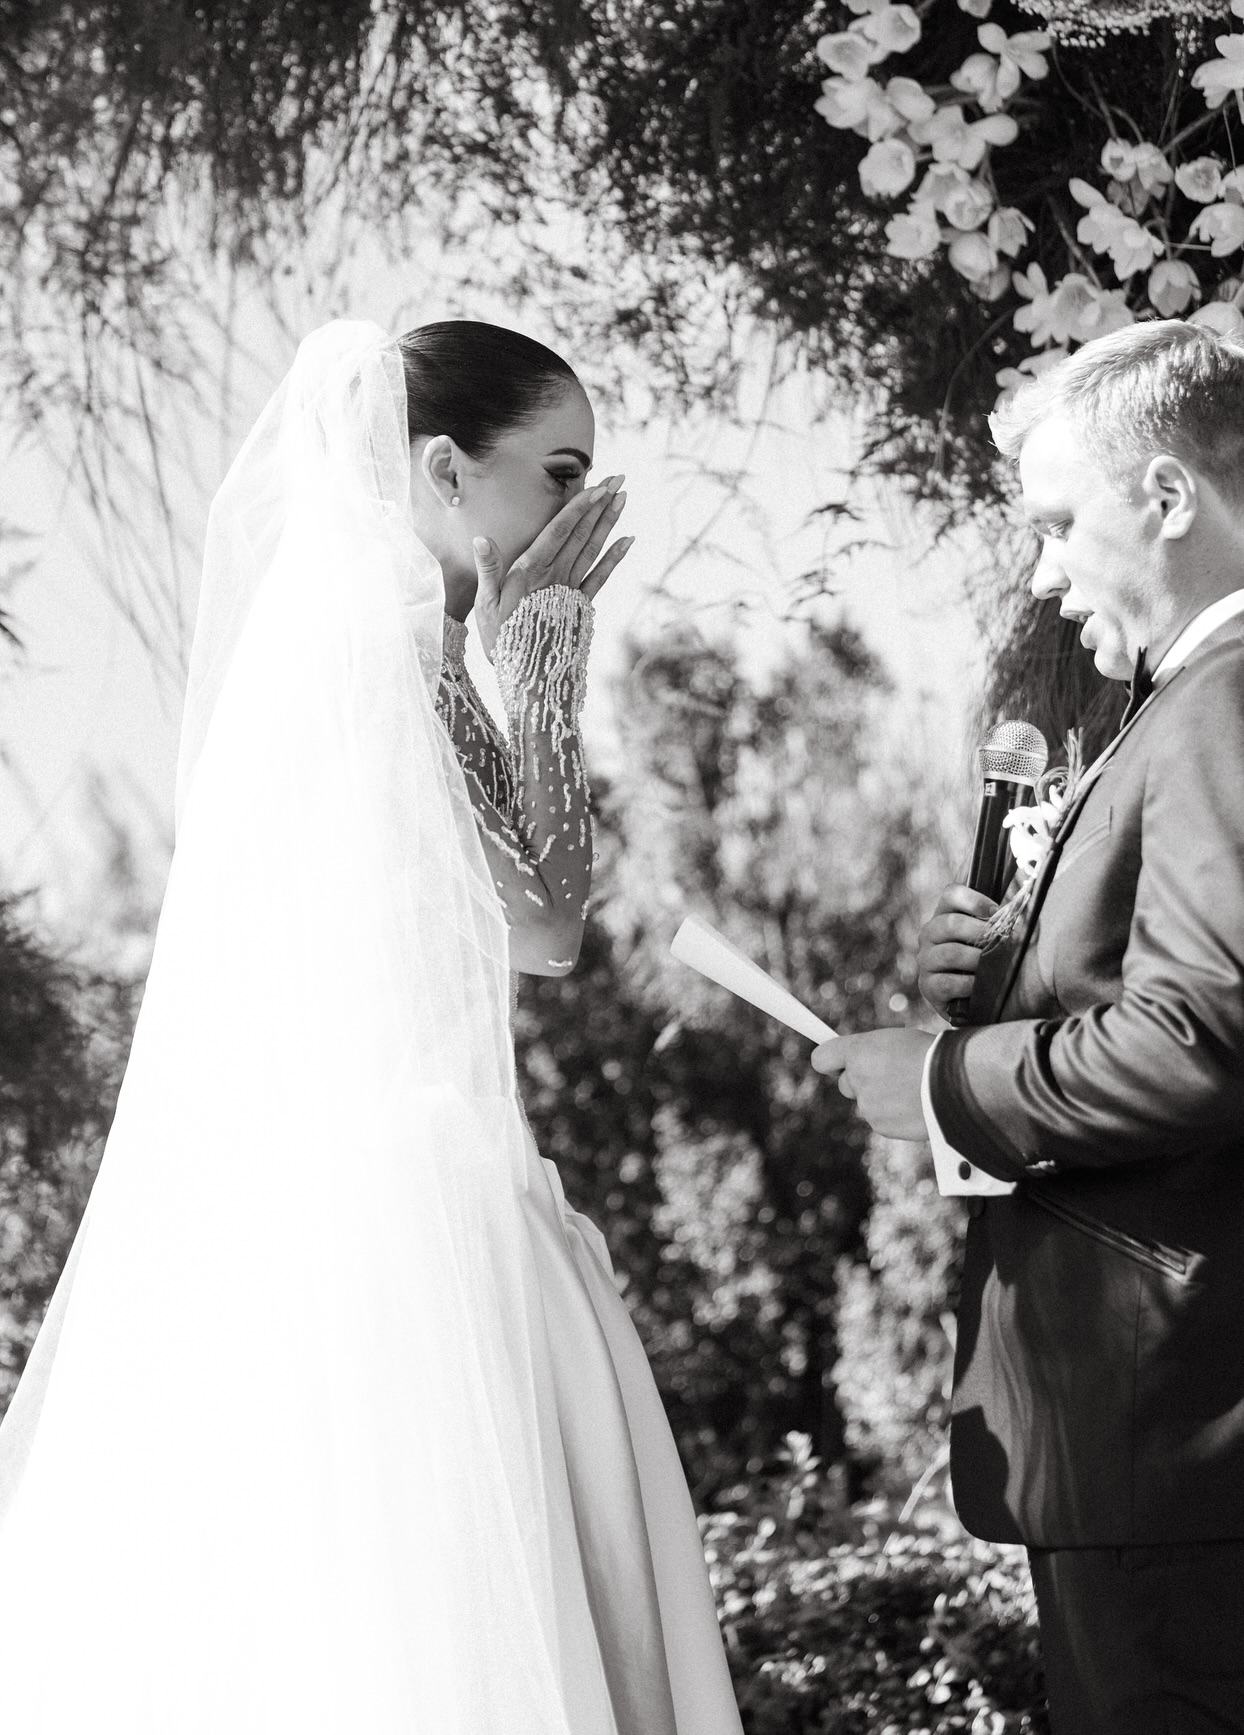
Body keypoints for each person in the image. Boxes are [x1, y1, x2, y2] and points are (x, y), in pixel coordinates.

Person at [0, 319, 743, 1735]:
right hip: (412, 1220)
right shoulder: (390, 658)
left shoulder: (380, 654)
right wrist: (546, 662)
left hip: (377, 1189)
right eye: (559, 473)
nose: (578, 516)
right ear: (446, 471)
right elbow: (547, 924)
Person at [812, 320, 1244, 1735]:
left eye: (1056, 523)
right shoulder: (1238, 700)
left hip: (1192, 1426)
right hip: (1173, 1445)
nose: (1043, 571)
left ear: (1165, 495)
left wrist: (949, 1083)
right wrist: (1003, 984)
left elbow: (1207, 1044)